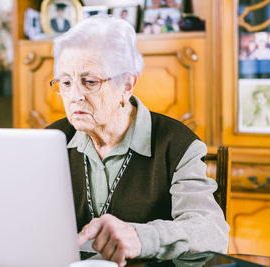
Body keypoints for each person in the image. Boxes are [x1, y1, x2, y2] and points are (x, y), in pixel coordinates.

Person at [46, 15, 229, 266]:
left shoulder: (177, 145)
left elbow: (212, 232)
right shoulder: (50, 142)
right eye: (65, 82)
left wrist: (141, 237)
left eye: (90, 82)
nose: (75, 96)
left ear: (127, 84)